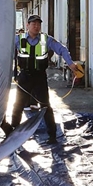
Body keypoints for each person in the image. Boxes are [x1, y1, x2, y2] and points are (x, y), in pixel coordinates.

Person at [10, 14, 82, 144]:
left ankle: (52, 135)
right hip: (24, 77)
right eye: (33, 24)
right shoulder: (18, 39)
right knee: (18, 105)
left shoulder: (46, 39)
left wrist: (71, 64)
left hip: (39, 77)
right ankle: (12, 134)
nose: (36, 26)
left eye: (38, 24)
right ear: (27, 25)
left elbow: (62, 50)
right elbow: (5, 51)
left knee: (45, 106)